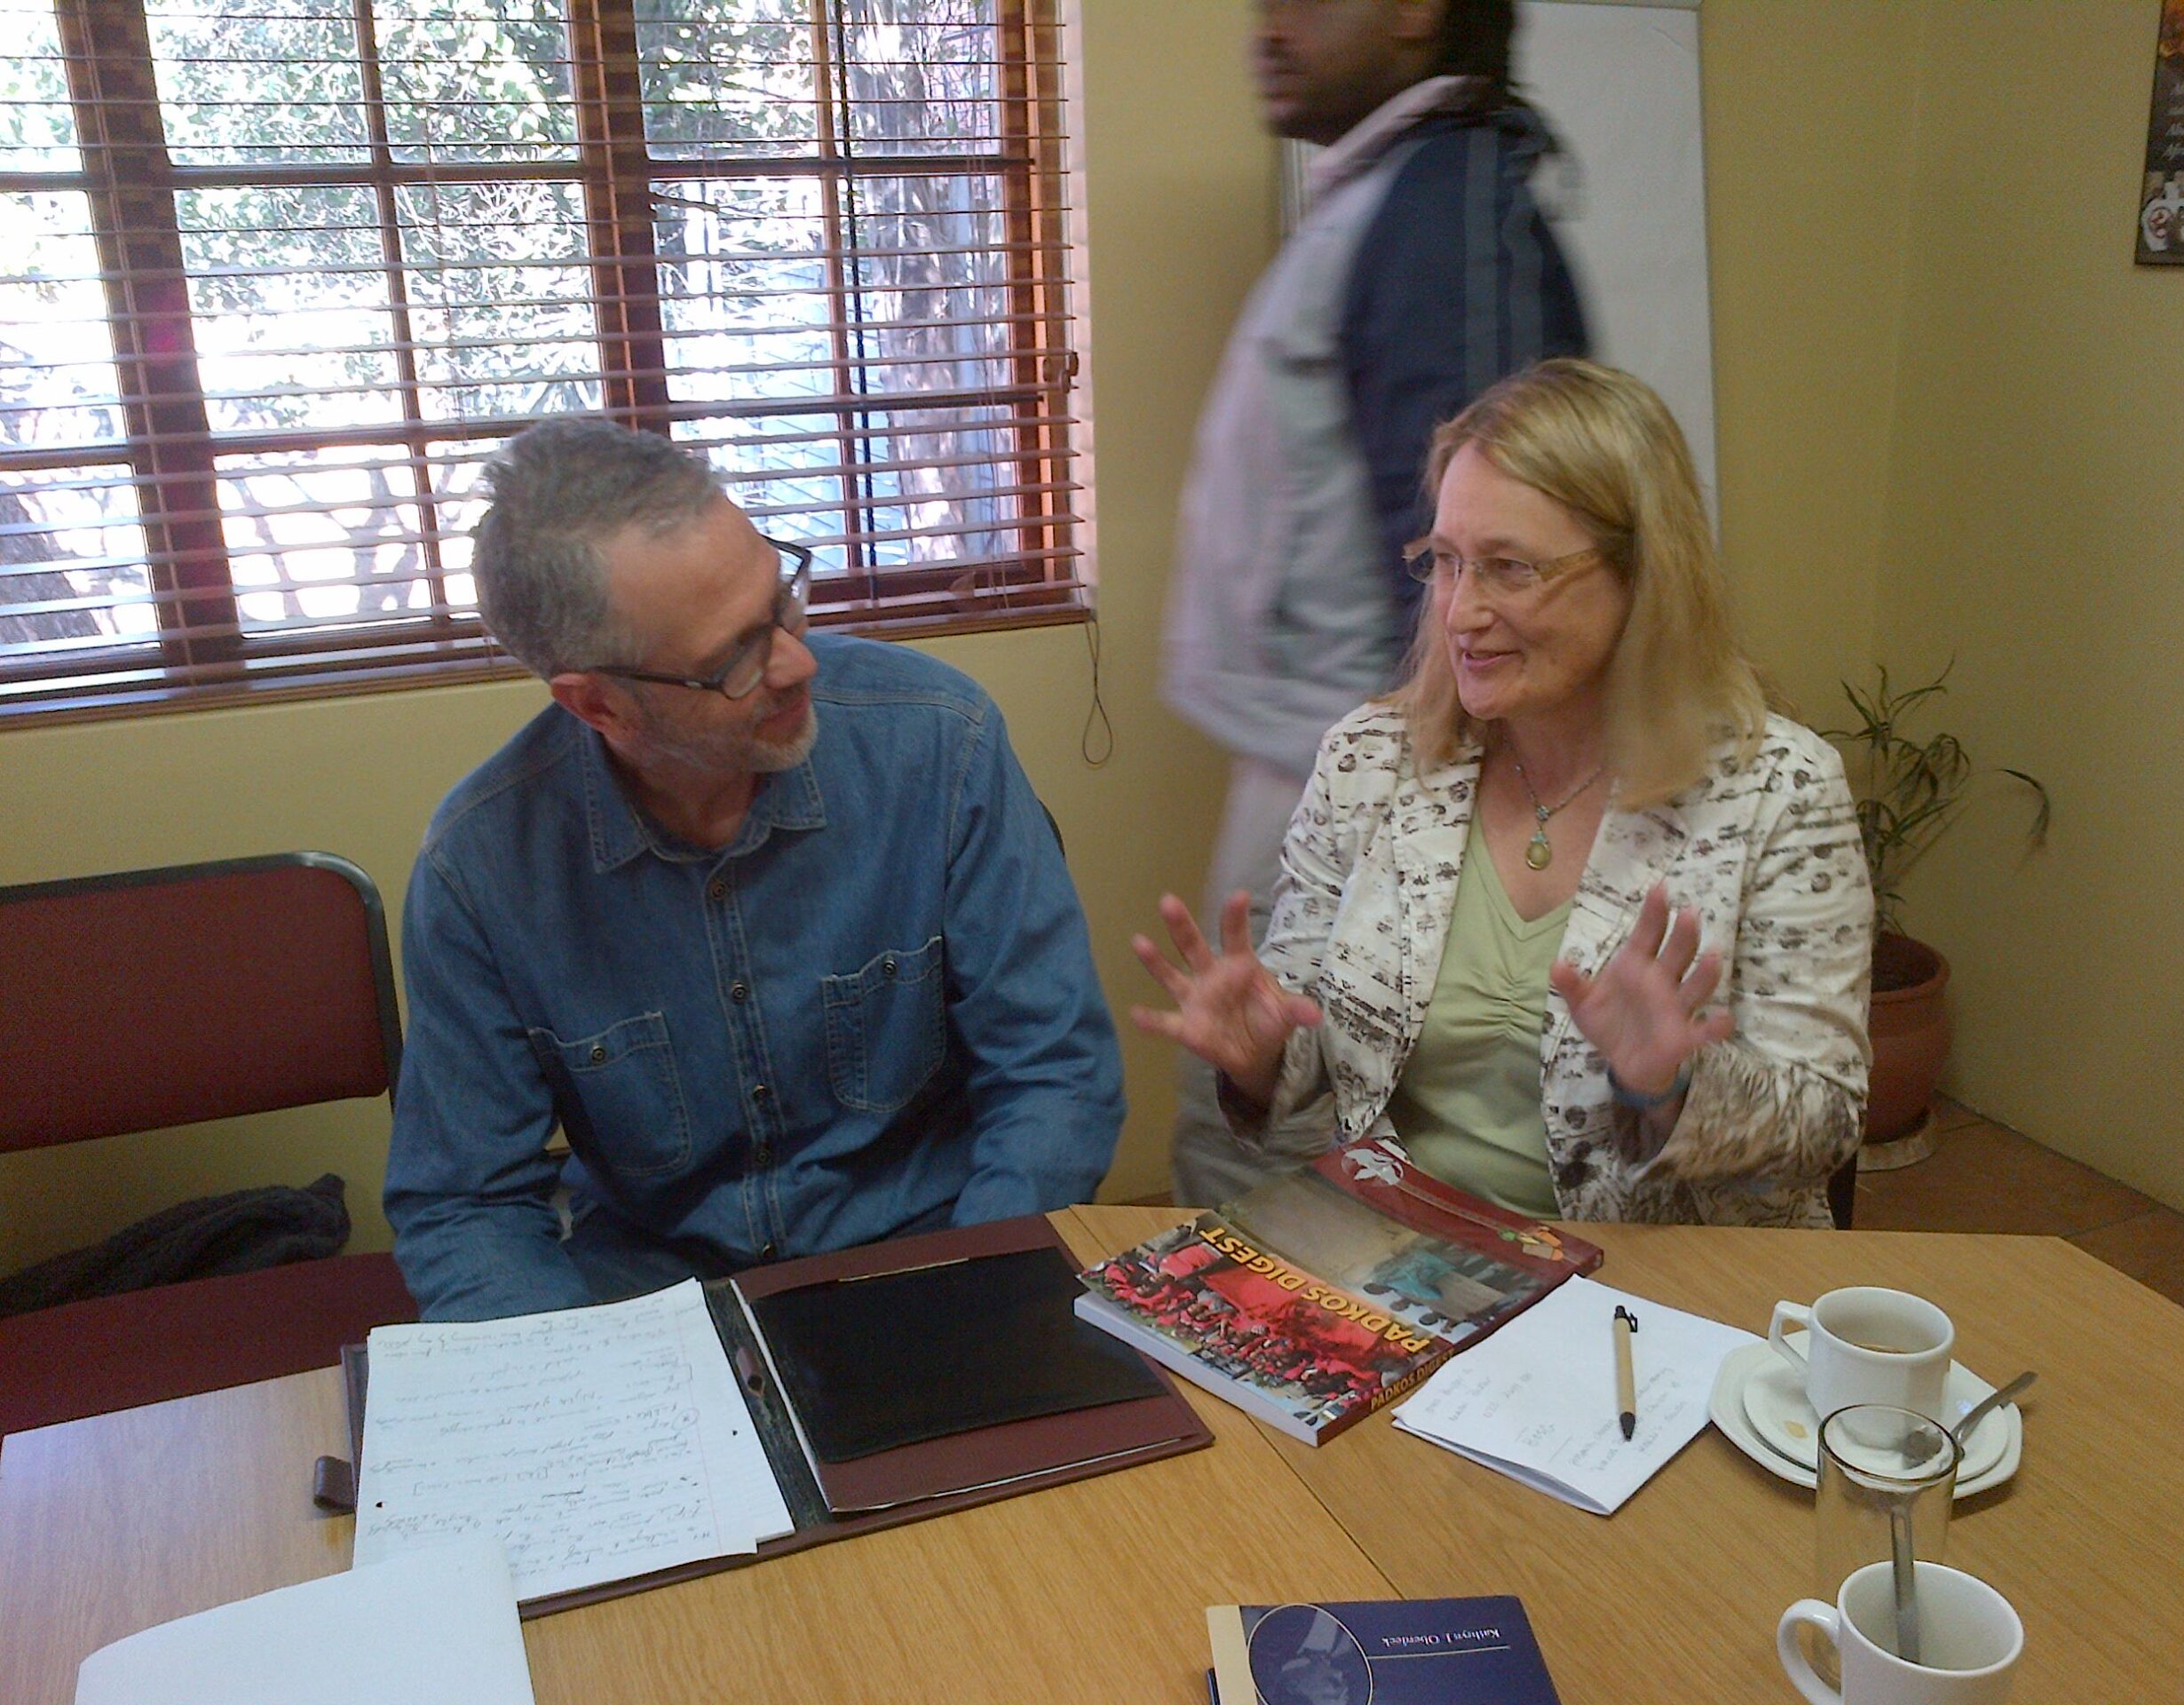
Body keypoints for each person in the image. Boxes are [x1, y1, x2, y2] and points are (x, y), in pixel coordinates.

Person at [385, 419, 1123, 1320]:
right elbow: (466, 1204)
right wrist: (572, 1376)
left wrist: (975, 1299)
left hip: (935, 1251)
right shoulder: (483, 868)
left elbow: (1053, 1073)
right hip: (662, 1297)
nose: (796, 659)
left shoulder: (938, 742)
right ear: (598, 705)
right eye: (735, 658)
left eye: (783, 600)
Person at [1136, 361, 1871, 1227]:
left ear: (1642, 575)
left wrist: (1670, 1086)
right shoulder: (1370, 762)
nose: (1460, 612)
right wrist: (1262, 1057)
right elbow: (1311, 1053)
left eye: (1510, 568)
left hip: (1660, 1281)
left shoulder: (1779, 790)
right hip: (1409, 1255)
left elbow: (1824, 1123)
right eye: (1446, 563)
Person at [1162, 0, 1588, 1205]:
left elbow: (1500, 567)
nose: (1266, 24)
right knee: (1245, 1126)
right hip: (1315, 771)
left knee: (1278, 1170)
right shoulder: (1381, 200)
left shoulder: (1444, 217)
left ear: (1414, 11)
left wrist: (1414, 817)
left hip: (1374, 789)